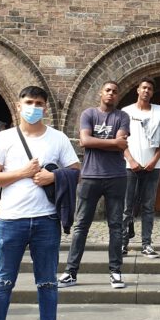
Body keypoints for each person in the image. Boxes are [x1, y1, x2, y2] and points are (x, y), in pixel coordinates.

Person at [0, 86, 80, 320]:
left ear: (46, 107)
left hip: (46, 219)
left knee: (47, 282)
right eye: (29, 102)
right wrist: (23, 172)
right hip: (10, 220)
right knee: (2, 282)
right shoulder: (4, 138)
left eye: (39, 103)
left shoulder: (57, 138)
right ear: (19, 106)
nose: (34, 107)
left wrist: (53, 177)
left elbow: (76, 171)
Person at [59, 81, 131, 289]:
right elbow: (85, 141)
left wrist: (93, 141)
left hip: (116, 176)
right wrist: (111, 144)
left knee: (116, 226)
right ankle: (71, 272)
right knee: (81, 225)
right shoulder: (88, 114)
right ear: (101, 93)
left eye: (115, 92)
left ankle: (116, 272)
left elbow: (119, 143)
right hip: (90, 176)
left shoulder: (122, 117)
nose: (111, 94)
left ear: (118, 96)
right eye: (107, 90)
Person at [121, 77, 160, 259]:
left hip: (153, 166)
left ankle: (147, 244)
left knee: (148, 207)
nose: (146, 91)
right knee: (127, 206)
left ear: (152, 92)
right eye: (143, 87)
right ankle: (122, 243)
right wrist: (131, 160)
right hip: (130, 166)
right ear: (138, 89)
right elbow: (121, 141)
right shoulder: (125, 112)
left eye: (150, 89)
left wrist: (154, 160)